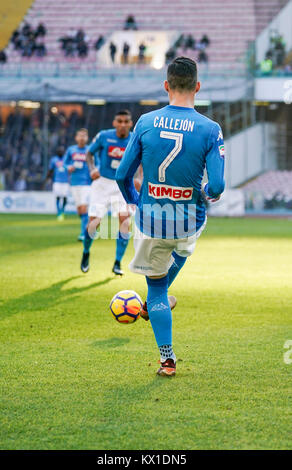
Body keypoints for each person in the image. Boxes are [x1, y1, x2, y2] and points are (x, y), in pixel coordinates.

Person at [116, 57, 225, 377]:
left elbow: (123, 175)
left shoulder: (146, 122)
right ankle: (155, 298)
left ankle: (167, 359)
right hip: (190, 220)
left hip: (151, 220)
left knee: (158, 288)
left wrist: (135, 201)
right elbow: (217, 186)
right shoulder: (210, 129)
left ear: (166, 86)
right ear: (197, 87)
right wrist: (206, 191)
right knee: (181, 247)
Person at [80, 110, 136, 276]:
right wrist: (91, 169)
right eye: (119, 121)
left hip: (124, 184)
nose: (123, 124)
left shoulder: (134, 139)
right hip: (102, 184)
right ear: (114, 123)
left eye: (126, 121)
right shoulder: (104, 136)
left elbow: (141, 160)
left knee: (125, 223)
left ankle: (118, 262)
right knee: (93, 224)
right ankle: (86, 252)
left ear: (130, 123)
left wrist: (139, 177)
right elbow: (89, 153)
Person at [63, 129, 91, 241]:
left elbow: (97, 163)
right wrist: (68, 167)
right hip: (74, 183)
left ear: (87, 138)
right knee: (80, 209)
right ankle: (87, 225)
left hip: (86, 183)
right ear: (76, 137)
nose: (82, 138)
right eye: (80, 135)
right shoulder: (71, 150)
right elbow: (65, 162)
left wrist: (94, 171)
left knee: (84, 206)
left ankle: (83, 233)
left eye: (84, 136)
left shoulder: (90, 150)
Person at [46, 146, 69, 220]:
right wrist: (47, 178)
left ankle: (62, 210)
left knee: (65, 198)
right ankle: (59, 212)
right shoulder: (54, 160)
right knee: (58, 197)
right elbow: (50, 170)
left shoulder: (67, 159)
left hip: (65, 181)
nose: (61, 152)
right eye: (60, 151)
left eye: (62, 150)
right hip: (57, 181)